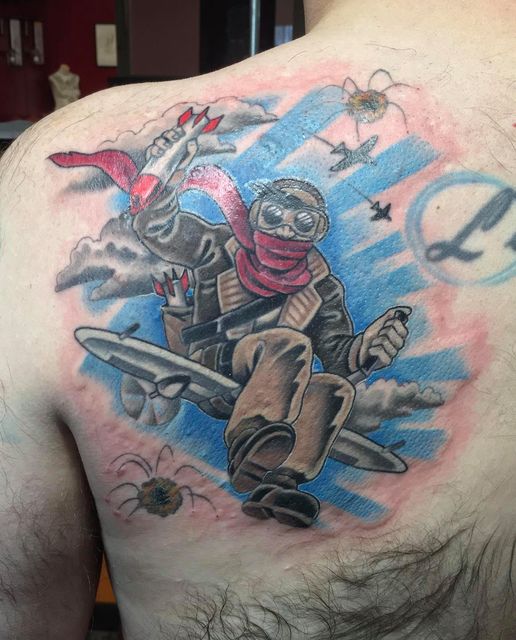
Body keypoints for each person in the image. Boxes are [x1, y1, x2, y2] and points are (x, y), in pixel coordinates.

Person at [0, 1, 515, 638]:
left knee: (333, 388)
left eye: (304, 223)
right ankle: (254, 441)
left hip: (283, 384)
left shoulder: (320, 284)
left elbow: (338, 352)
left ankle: (280, 479)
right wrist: (160, 177)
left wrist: (370, 350)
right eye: (277, 215)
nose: (287, 230)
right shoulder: (219, 245)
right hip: (218, 357)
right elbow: (159, 228)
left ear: (317, 231)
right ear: (257, 213)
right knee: (285, 347)